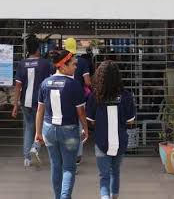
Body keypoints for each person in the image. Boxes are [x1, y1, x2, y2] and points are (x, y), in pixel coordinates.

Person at [35, 49, 89, 199]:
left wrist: (38, 132)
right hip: (69, 131)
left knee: (55, 165)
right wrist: (85, 128)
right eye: (73, 64)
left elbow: (40, 110)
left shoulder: (45, 83)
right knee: (69, 168)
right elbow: (81, 112)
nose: (76, 67)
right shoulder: (74, 85)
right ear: (63, 66)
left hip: (49, 131)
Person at [86, 61, 136, 199]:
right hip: (120, 141)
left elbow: (90, 120)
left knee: (104, 176)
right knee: (115, 172)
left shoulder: (94, 96)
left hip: (101, 141)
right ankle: (114, 196)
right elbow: (130, 120)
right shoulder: (126, 96)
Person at [13, 34, 54, 167]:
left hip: (25, 102)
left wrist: (15, 105)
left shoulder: (21, 64)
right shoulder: (45, 64)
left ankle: (27, 158)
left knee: (29, 127)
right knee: (40, 127)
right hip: (40, 102)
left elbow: (18, 86)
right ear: (38, 49)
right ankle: (35, 148)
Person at [64, 37, 92, 165]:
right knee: (80, 126)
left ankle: (67, 154)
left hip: (64, 97)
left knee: (66, 125)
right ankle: (78, 155)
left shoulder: (62, 62)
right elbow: (87, 82)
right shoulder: (83, 62)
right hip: (79, 98)